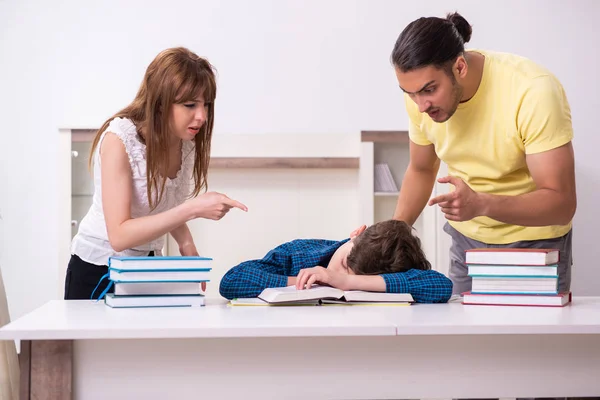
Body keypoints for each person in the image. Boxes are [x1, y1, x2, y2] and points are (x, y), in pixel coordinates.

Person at [390, 12, 576, 295]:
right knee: (466, 338)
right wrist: (393, 235)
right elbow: (422, 169)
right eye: (410, 93)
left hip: (536, 246)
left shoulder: (533, 91)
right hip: (466, 243)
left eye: (429, 89)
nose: (421, 106)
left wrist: (481, 204)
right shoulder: (420, 100)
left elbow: (561, 203)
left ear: (460, 67)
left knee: (529, 340)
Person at [65, 47, 247, 300]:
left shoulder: (185, 142)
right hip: (98, 270)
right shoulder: (119, 139)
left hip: (143, 267)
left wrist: (186, 243)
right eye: (190, 104)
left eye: (206, 105)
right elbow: (119, 236)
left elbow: (162, 203)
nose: (202, 116)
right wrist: (193, 208)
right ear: (160, 102)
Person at [219, 219, 453, 303]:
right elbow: (231, 281)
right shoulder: (301, 252)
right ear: (356, 233)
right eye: (343, 265)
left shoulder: (388, 269)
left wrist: (346, 282)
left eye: (354, 276)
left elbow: (441, 286)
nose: (339, 275)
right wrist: (312, 282)